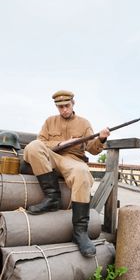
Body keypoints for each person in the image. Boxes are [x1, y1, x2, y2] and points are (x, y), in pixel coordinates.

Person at [24, 90, 110, 257]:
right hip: (52, 158)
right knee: (33, 146)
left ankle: (80, 232)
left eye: (66, 106)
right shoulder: (49, 121)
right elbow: (41, 142)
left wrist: (101, 139)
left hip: (73, 161)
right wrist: (63, 143)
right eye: (60, 107)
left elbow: (92, 149)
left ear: (73, 104)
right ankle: (52, 197)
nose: (64, 109)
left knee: (82, 172)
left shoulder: (84, 123)